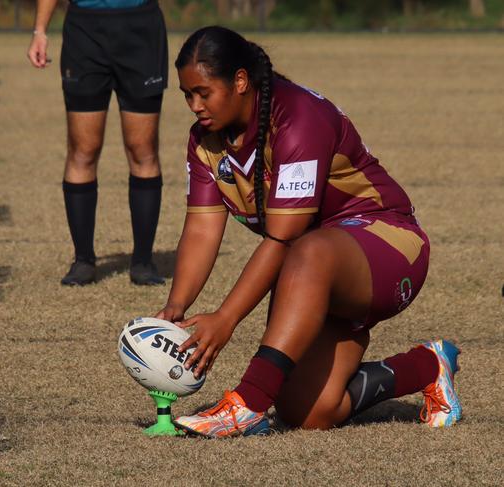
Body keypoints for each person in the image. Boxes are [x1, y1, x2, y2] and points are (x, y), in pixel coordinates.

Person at [155, 26, 461, 437]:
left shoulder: (298, 117)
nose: (194, 105)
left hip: (389, 244)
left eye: (203, 93)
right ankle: (427, 366)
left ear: (240, 81)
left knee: (306, 247)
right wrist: (175, 308)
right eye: (186, 95)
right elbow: (202, 229)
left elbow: (283, 238)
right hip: (316, 269)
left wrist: (226, 318)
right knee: (308, 412)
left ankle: (246, 404)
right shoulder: (205, 142)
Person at [27, 0, 168, 286]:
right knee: (83, 150)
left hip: (141, 29)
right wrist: (40, 30)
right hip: (84, 31)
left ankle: (143, 261)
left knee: (142, 149)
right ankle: (83, 261)